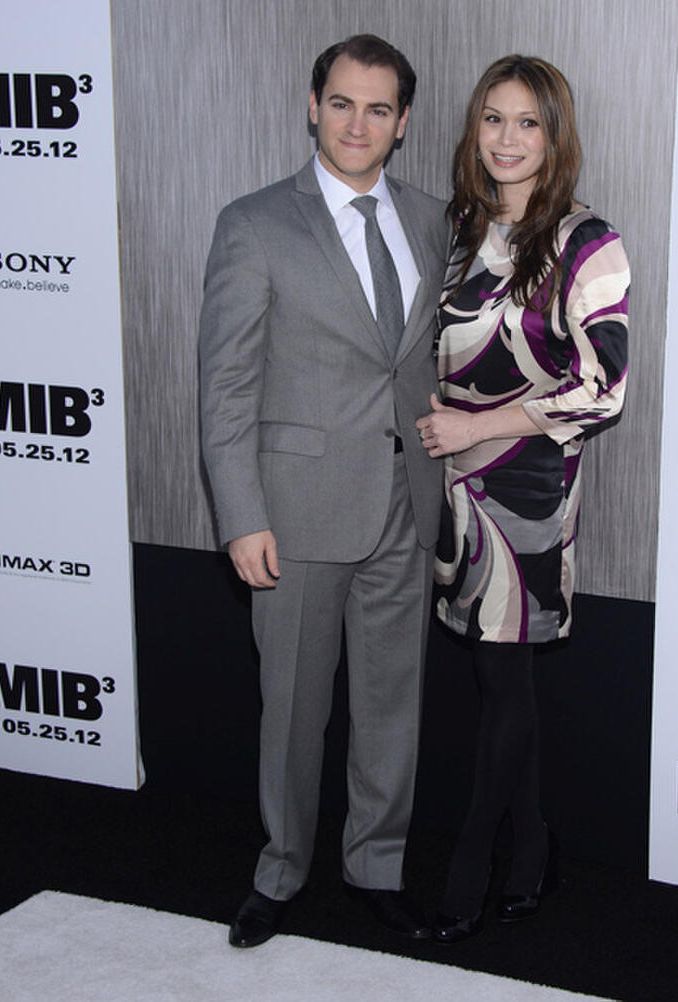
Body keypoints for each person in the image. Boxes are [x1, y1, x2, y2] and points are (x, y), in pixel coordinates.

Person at [199, 34, 447, 948]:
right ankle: (281, 870)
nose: (358, 122)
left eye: (378, 108)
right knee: (295, 706)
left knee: (393, 703)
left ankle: (376, 866)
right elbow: (224, 384)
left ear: (402, 122)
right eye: (341, 102)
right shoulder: (255, 222)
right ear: (313, 106)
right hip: (294, 513)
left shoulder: (430, 219)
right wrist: (241, 515)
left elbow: (418, 358)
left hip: (405, 503)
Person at [416, 54, 629, 942]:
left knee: (504, 672)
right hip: (454, 484)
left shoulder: (586, 240)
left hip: (528, 486)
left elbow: (604, 385)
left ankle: (473, 862)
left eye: (527, 122)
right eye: (492, 119)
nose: (507, 138)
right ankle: (535, 847)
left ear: (554, 135)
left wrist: (479, 427)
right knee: (498, 676)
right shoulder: (459, 227)